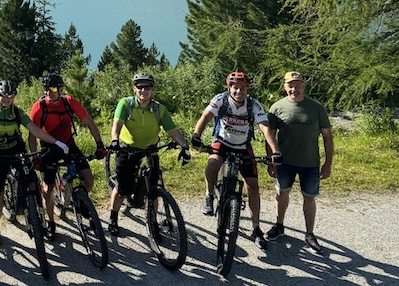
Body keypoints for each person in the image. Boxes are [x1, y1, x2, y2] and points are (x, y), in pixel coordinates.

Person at [191, 71, 279, 251]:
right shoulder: (221, 100)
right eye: (235, 87)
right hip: (222, 142)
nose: (239, 91)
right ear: (229, 87)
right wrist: (196, 135)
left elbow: (265, 128)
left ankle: (256, 228)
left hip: (243, 146)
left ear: (247, 88)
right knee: (213, 164)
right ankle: (209, 195)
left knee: (253, 187)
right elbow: (205, 117)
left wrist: (275, 151)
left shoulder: (253, 104)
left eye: (242, 88)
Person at [0, 78, 70, 246]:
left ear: (14, 96)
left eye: (10, 96)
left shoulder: (18, 112)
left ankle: (38, 215)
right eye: (2, 95)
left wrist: (55, 142)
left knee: (32, 181)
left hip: (17, 149)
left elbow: (34, 130)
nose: (6, 99)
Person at [107, 72, 190, 237]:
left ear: (153, 90)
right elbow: (117, 124)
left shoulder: (159, 109)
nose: (143, 90)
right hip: (127, 149)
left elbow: (172, 130)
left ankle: (152, 222)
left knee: (152, 188)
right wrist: (115, 140)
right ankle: (113, 218)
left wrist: (184, 146)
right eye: (140, 86)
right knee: (123, 188)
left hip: (149, 150)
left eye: (147, 87)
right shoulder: (126, 104)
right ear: (134, 88)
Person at [28, 71, 107, 239]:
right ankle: (51, 221)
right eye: (46, 89)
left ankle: (81, 201)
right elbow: (32, 136)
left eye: (53, 89)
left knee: (88, 178)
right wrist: (36, 159)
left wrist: (99, 144)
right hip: (48, 147)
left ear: (61, 89)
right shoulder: (39, 107)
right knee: (48, 188)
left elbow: (89, 123)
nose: (49, 92)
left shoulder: (69, 102)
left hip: (69, 144)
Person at [264, 71, 334, 255]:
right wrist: (271, 160)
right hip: (284, 162)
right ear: (285, 86)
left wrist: (328, 163)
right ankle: (279, 226)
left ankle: (310, 234)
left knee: (309, 198)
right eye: (290, 85)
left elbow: (327, 137)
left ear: (304, 86)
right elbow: (269, 136)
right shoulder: (277, 108)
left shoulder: (317, 108)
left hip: (310, 163)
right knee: (281, 193)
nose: (294, 88)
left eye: (298, 85)